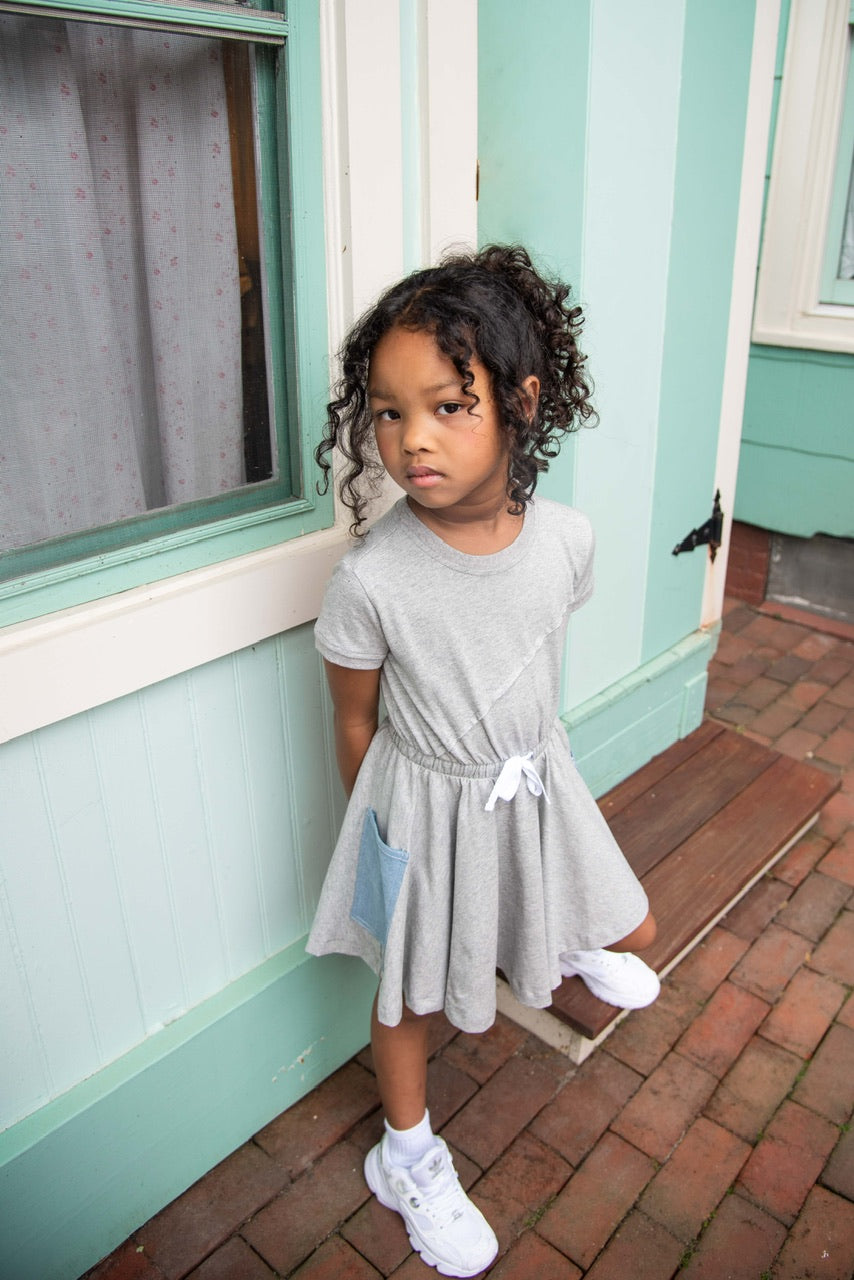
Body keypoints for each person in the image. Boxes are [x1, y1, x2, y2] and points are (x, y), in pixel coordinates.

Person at [307, 245, 659, 1277]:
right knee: (406, 995)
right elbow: (354, 725)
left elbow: (529, 657)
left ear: (519, 399)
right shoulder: (371, 579)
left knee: (633, 923)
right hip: (413, 805)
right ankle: (404, 1152)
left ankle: (559, 939)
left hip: (528, 782)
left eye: (447, 405)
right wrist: (382, 852)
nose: (410, 439)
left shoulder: (566, 540)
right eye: (385, 411)